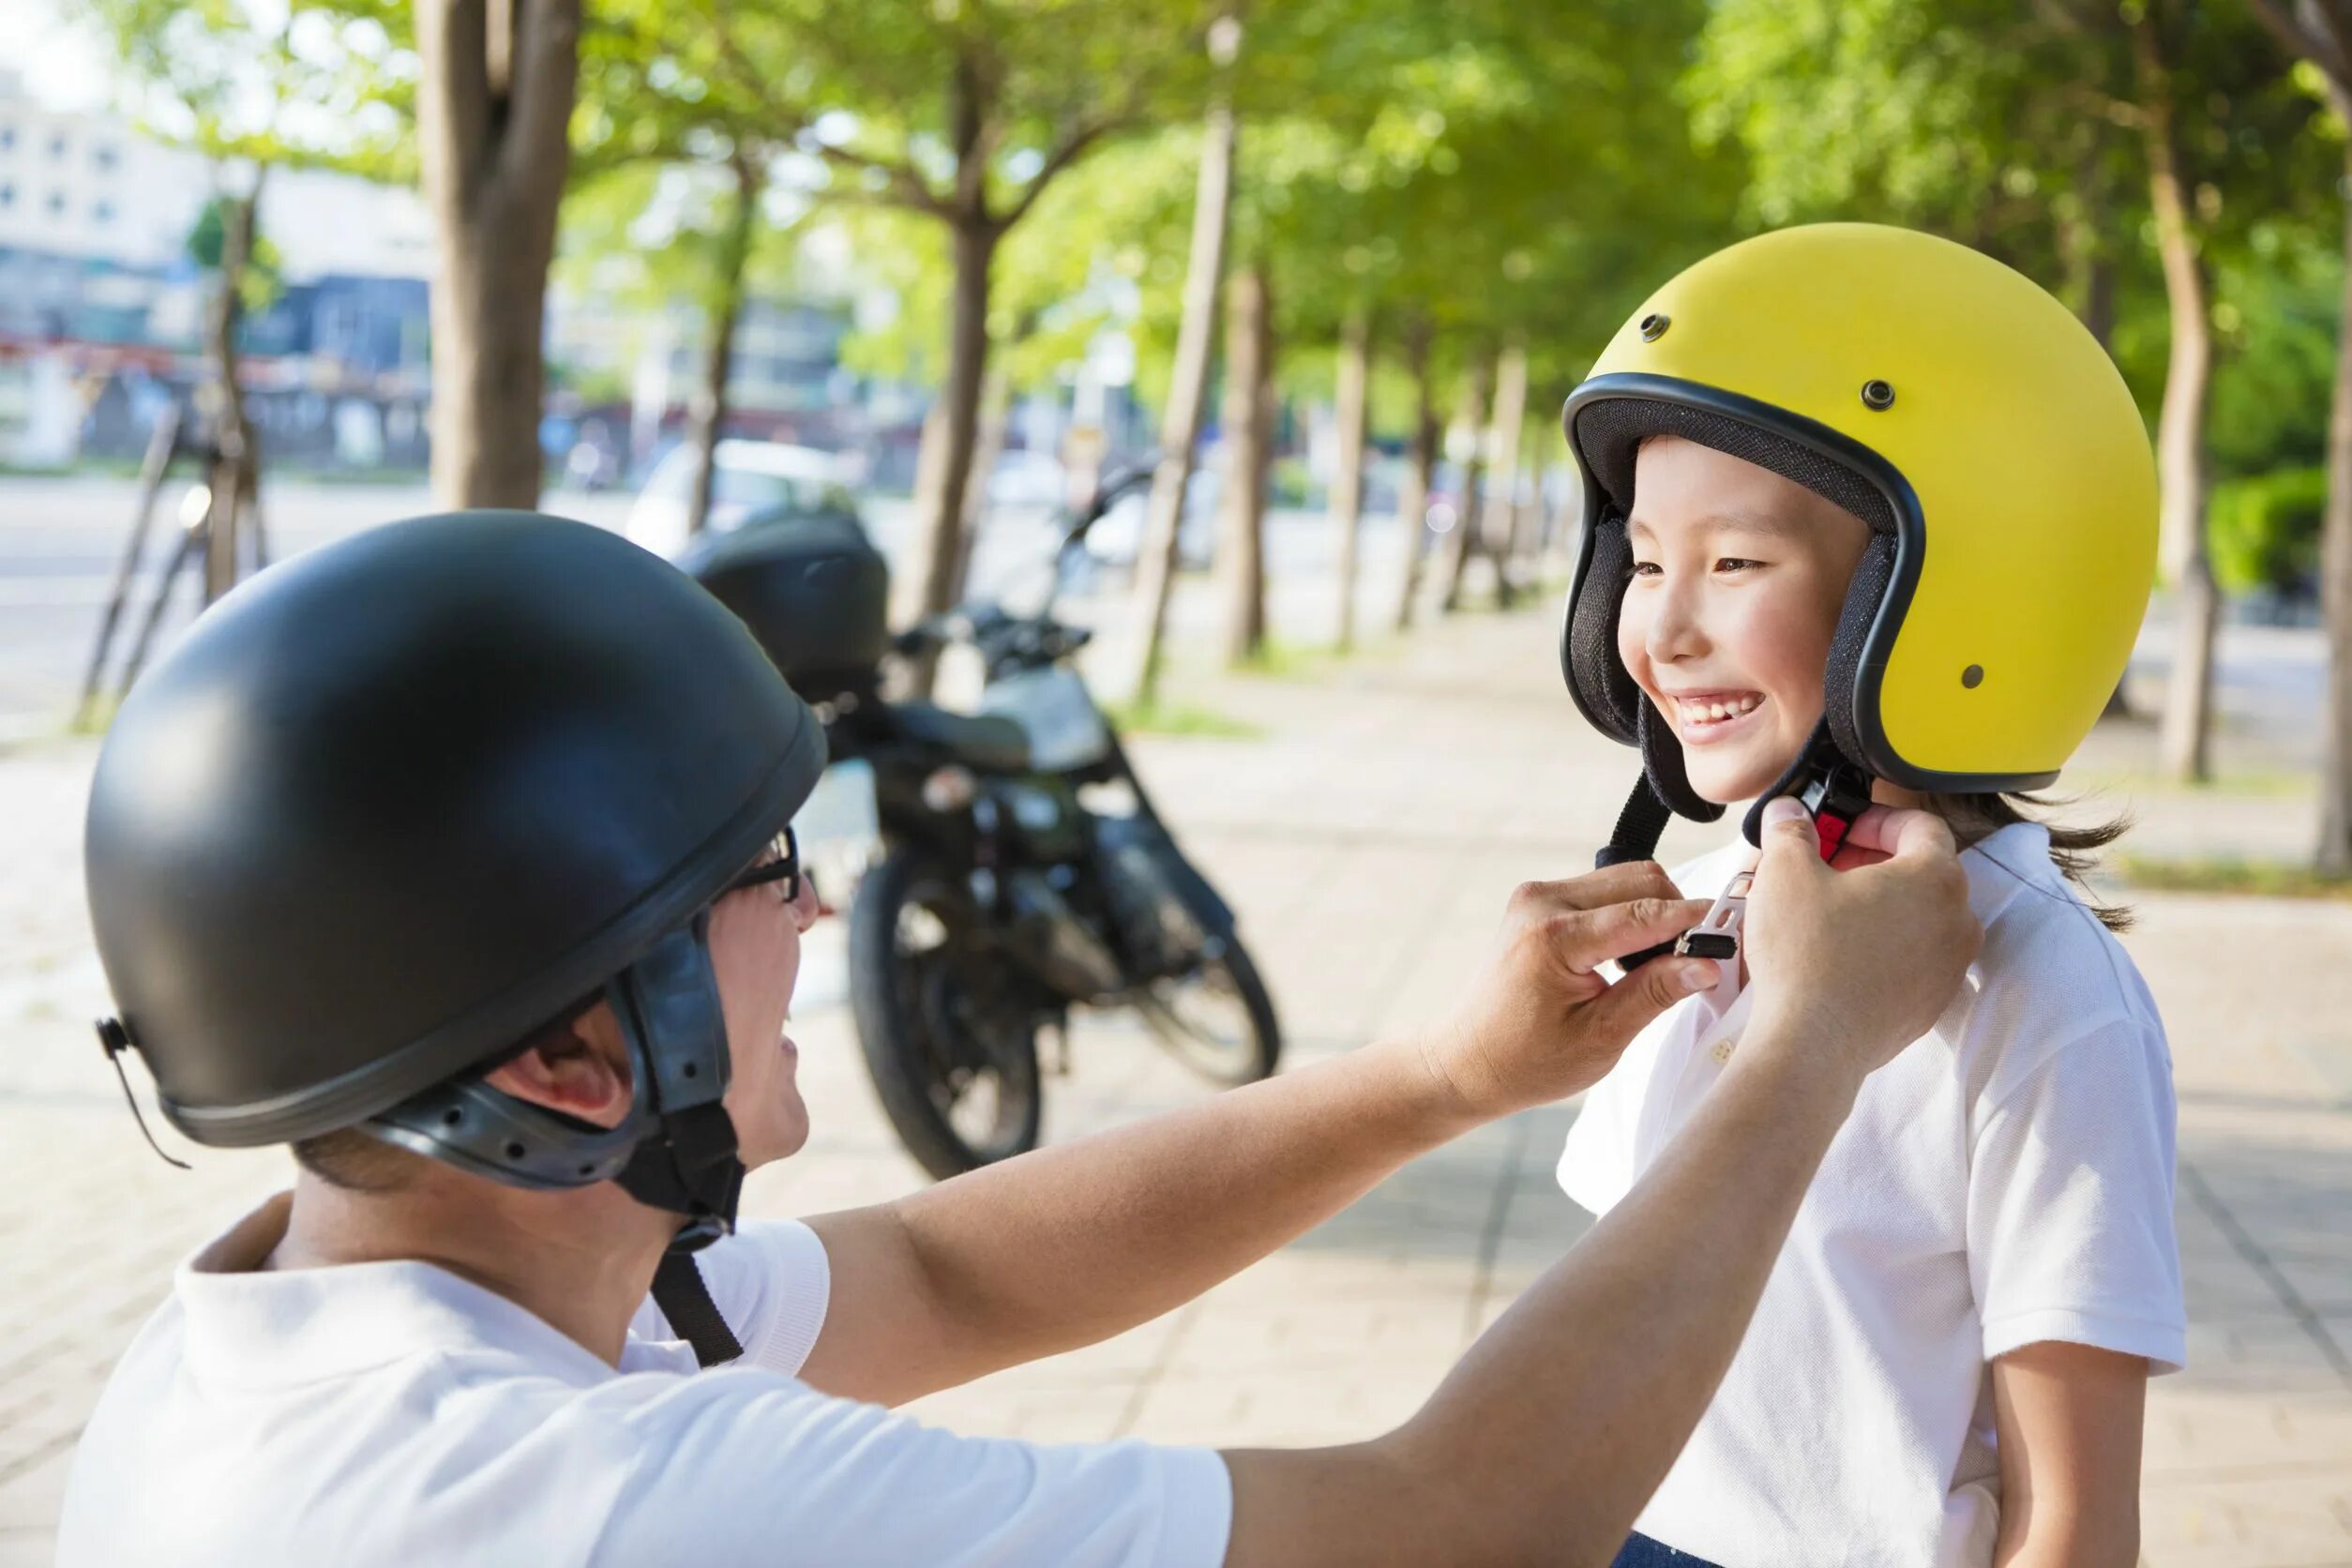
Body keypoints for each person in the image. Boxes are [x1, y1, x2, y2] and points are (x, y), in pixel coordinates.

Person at [59, 508, 1980, 1566]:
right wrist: (1811, 1037)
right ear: (577, 1060)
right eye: (766, 872)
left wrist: (1438, 1077)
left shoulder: (315, 1323)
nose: (818, 910)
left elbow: (946, 1266)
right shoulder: (611, 1506)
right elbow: (1465, 1526)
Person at [1551, 222, 2186, 1568]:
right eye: (1645, 561)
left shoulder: (2042, 995)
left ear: (1944, 599)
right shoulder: (1708, 910)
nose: (1661, 628)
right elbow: (1605, 1328)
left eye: (1733, 565)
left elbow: (2072, 1522)